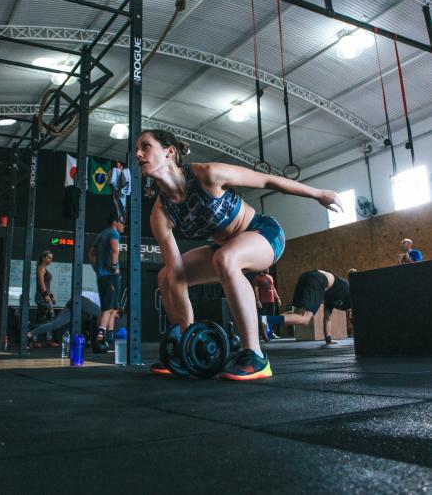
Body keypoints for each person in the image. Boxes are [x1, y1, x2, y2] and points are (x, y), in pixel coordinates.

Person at [136, 129, 342, 381]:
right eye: (138, 149)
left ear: (169, 152)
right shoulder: (160, 213)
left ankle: (255, 355)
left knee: (225, 258)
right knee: (166, 276)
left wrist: (318, 193)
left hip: (263, 233)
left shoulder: (207, 174)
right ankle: (183, 346)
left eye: (145, 147)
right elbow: (177, 275)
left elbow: (267, 181)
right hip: (225, 248)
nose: (138, 154)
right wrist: (189, 336)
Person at [268, 269, 352, 345]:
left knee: (296, 314)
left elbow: (327, 318)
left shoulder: (333, 299)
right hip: (319, 280)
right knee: (305, 319)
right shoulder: (350, 293)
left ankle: (268, 324)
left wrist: (328, 339)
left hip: (307, 276)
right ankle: (267, 320)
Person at [88, 212, 125, 353]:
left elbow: (91, 253)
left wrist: (98, 269)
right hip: (111, 276)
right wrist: (114, 267)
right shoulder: (113, 233)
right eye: (122, 223)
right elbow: (115, 249)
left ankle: (108, 339)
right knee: (108, 308)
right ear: (115, 222)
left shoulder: (102, 234)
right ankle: (100, 339)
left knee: (113, 308)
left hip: (103, 276)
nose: (124, 226)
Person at [28, 291, 101, 347]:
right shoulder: (108, 305)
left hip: (75, 299)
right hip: (82, 298)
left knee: (56, 324)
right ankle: (98, 339)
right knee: (102, 315)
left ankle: (30, 333)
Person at [34, 250, 59, 348]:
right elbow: (41, 283)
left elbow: (47, 285)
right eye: (49, 258)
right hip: (41, 297)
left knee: (49, 318)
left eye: (51, 258)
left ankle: (47, 340)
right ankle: (37, 340)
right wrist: (45, 295)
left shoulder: (45, 269)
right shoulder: (41, 268)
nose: (50, 260)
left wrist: (51, 297)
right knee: (43, 319)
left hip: (45, 296)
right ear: (43, 258)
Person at [252, 269, 282, 342]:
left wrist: (277, 298)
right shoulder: (257, 278)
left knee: (271, 317)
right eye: (267, 267)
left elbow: (273, 288)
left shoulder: (270, 277)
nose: (268, 269)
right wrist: (258, 300)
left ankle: (270, 333)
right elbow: (256, 289)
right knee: (263, 318)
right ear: (262, 268)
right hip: (263, 301)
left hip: (271, 301)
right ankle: (264, 334)